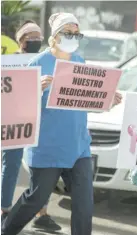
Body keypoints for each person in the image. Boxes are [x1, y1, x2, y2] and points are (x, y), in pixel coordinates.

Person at [1, 12, 122, 235]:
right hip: (48, 148)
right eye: (68, 33)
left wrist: (107, 100)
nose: (73, 38)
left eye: (77, 34)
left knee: (84, 204)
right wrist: (35, 88)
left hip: (78, 146)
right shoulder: (37, 63)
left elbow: (84, 100)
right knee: (35, 199)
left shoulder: (79, 62)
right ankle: (6, 230)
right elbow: (16, 103)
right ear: (54, 37)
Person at [1, 20, 62, 231]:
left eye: (39, 37)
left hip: (42, 120)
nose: (36, 41)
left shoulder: (46, 60)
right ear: (21, 41)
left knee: (42, 167)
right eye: (31, 38)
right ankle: (4, 210)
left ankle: (41, 213)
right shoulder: (8, 62)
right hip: (17, 119)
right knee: (11, 165)